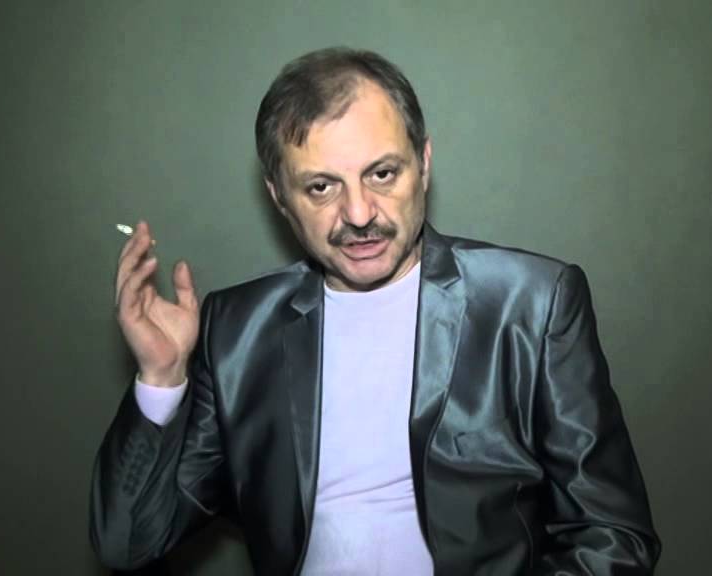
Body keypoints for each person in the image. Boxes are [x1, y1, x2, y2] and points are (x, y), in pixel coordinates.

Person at [91, 47, 660, 575]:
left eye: (382, 174)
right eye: (321, 187)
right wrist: (161, 379)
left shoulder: (532, 303)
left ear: (424, 163)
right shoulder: (236, 331)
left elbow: (612, 534)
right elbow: (128, 544)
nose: (360, 213)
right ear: (279, 196)